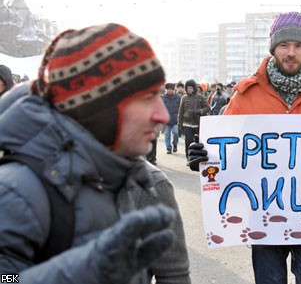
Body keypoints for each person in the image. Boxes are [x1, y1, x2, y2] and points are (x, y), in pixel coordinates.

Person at [0, 23, 190, 283]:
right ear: (100, 110)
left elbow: (174, 275)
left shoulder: (142, 181)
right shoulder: (15, 194)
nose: (163, 115)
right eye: (146, 98)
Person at [188, 11, 301, 283]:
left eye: (298, 46)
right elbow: (225, 152)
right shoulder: (246, 95)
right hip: (264, 215)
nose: (291, 52)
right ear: (273, 48)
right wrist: (203, 160)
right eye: (284, 45)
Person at [178, 79, 210, 160]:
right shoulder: (184, 98)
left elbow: (207, 108)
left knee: (198, 142)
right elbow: (180, 112)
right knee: (188, 141)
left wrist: (197, 111)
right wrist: (179, 124)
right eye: (188, 88)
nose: (189, 90)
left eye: (191, 88)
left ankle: (198, 157)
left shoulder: (200, 97)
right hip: (186, 124)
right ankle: (189, 157)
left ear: (194, 88)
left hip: (197, 124)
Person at [162, 83, 181, 154]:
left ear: (173, 90)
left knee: (175, 133)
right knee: (167, 134)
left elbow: (180, 108)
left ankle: (175, 144)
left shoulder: (178, 97)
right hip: (166, 120)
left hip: (175, 119)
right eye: (168, 89)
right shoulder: (163, 98)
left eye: (171, 89)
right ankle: (168, 148)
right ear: (166, 90)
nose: (169, 91)